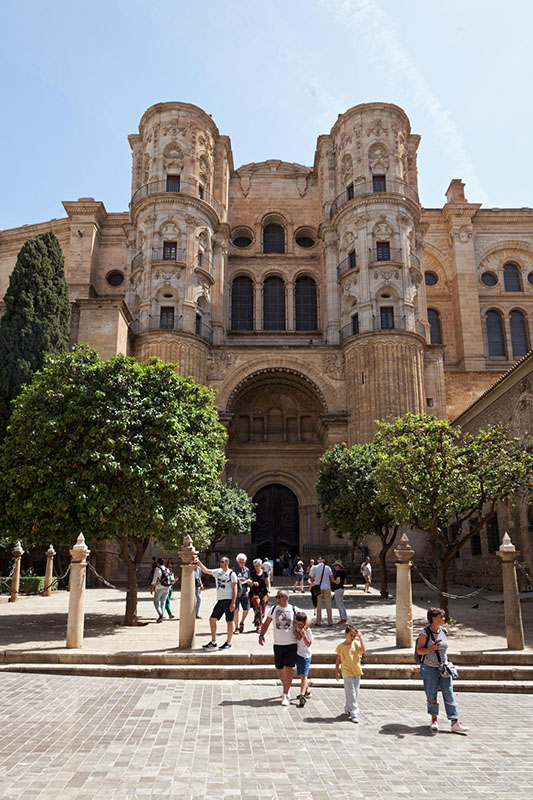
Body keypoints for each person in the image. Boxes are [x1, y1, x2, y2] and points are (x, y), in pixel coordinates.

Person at [415, 607, 469, 735]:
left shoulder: (444, 631)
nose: (444, 619)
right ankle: (434, 719)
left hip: (444, 667)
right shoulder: (424, 633)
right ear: (434, 618)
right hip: (429, 668)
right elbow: (419, 650)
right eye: (441, 617)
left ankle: (454, 721)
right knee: (431, 693)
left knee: (449, 692)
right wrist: (431, 648)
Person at [259, 589, 306, 706]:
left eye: (280, 596)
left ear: (287, 597)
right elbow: (266, 623)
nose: (277, 599)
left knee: (287, 669)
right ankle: (288, 687)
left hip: (291, 644)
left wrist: (302, 631)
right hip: (278, 644)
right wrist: (261, 635)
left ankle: (285, 694)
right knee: (279, 670)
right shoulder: (274, 609)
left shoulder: (294, 609)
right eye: (277, 596)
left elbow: (307, 620)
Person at [195, 555, 238, 650]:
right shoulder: (217, 571)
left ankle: (228, 642)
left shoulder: (232, 574)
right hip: (220, 600)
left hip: (228, 600)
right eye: (220, 561)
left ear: (227, 563)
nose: (220, 563)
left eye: (222, 561)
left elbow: (235, 588)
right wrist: (199, 562)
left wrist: (233, 602)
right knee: (212, 619)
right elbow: (206, 570)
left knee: (229, 621)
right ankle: (213, 641)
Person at [335, 623, 366, 723]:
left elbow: (363, 650)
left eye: (354, 636)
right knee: (351, 691)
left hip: (356, 671)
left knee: (354, 692)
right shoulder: (341, 647)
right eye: (350, 635)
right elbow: (338, 659)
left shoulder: (355, 644)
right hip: (347, 671)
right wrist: (336, 671)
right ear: (346, 634)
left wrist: (361, 639)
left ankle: (348, 708)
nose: (352, 638)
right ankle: (354, 712)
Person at [294, 611, 313, 706]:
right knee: (301, 675)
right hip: (298, 654)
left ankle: (302, 695)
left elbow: (309, 644)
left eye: (301, 624)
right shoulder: (296, 629)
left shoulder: (308, 631)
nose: (299, 626)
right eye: (297, 624)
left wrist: (304, 635)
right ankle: (307, 690)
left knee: (303, 676)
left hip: (306, 656)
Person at [309, 556, 333, 626]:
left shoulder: (314, 568)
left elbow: (311, 579)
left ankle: (318, 621)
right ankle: (330, 622)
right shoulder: (328, 568)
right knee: (328, 605)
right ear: (324, 560)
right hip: (327, 588)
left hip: (318, 588)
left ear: (318, 561)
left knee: (319, 605)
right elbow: (331, 578)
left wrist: (315, 580)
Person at [249, 558, 271, 632]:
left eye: (258, 566)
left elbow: (268, 583)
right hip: (254, 592)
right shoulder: (252, 573)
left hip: (263, 592)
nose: (256, 567)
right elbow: (249, 583)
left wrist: (268, 592)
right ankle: (258, 625)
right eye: (255, 566)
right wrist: (253, 583)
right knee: (257, 606)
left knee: (263, 609)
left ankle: (258, 620)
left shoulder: (265, 573)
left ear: (261, 565)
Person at [234, 553, 252, 634]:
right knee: (236, 610)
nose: (242, 563)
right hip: (236, 592)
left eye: (244, 562)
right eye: (241, 562)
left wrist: (249, 582)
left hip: (244, 591)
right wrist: (239, 579)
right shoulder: (234, 569)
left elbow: (248, 579)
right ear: (238, 561)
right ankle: (236, 627)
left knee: (246, 609)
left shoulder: (247, 570)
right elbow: (231, 579)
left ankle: (242, 622)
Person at [150, 558, 172, 622]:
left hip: (160, 587)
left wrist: (152, 586)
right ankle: (162, 615)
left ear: (158, 563)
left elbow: (155, 579)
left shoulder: (157, 569)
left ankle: (161, 615)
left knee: (156, 602)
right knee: (163, 602)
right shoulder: (166, 569)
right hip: (167, 587)